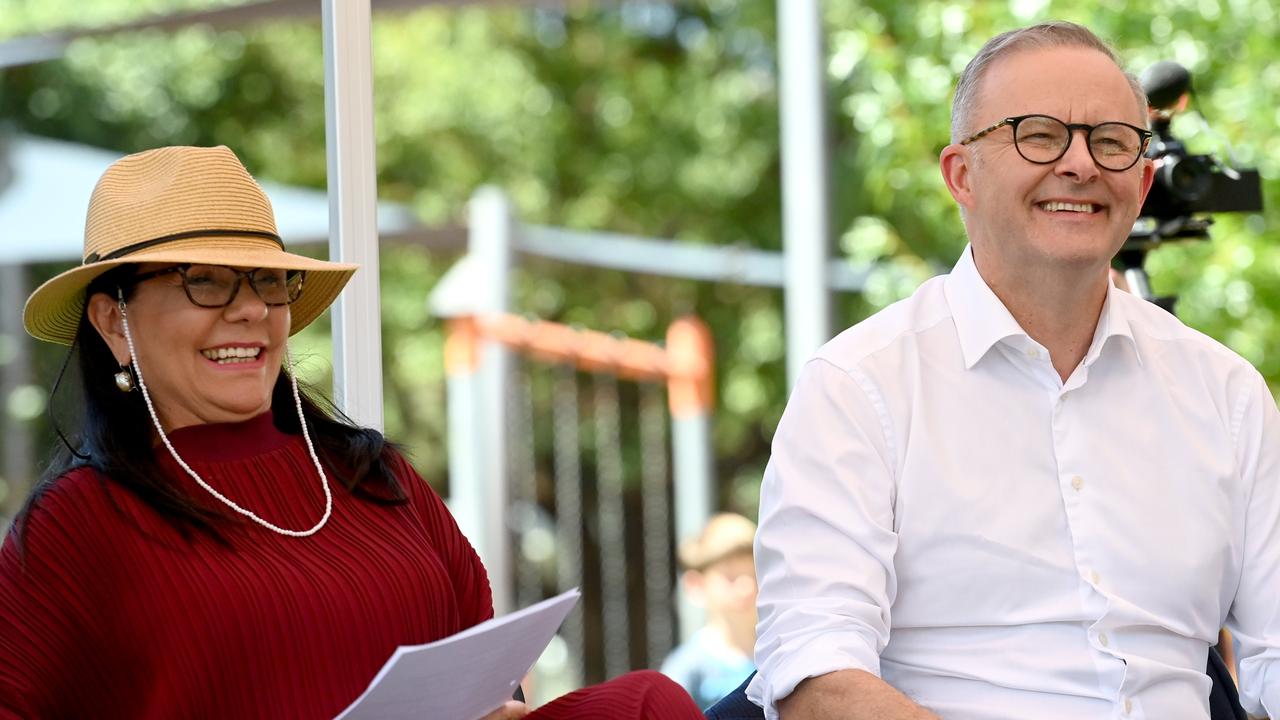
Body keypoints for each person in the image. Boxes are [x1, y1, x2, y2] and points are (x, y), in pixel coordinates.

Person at [0, 145, 703, 720]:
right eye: (204, 281)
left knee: (650, 703)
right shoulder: (78, 527)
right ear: (113, 322)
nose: (250, 310)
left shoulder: (374, 475)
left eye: (266, 282)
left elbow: (489, 668)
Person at [748, 21, 1280, 720]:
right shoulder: (858, 387)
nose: (1081, 165)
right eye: (1039, 133)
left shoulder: (1227, 393)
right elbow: (815, 673)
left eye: (1112, 141)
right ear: (961, 175)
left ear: (1144, 182)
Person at [661, 512, 759, 708]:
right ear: (695, 585)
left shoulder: (778, 652)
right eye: (731, 577)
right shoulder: (685, 669)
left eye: (754, 574)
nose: (747, 587)